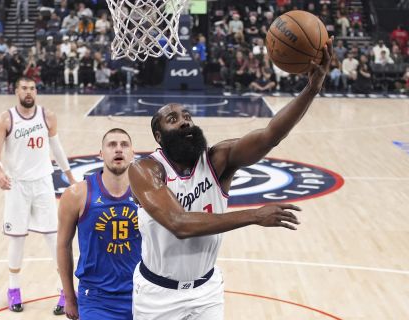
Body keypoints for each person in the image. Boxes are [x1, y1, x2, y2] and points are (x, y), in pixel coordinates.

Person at [128, 38, 334, 320]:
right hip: (158, 295)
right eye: (173, 119)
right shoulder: (146, 170)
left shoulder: (218, 160)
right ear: (159, 137)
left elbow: (270, 135)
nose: (185, 121)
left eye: (187, 116)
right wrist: (253, 215)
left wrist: (312, 89)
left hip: (206, 291)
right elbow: (179, 223)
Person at [0, 76, 77, 314]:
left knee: (54, 239)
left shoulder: (47, 116)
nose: (29, 92)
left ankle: (65, 291)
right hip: (16, 185)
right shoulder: (5, 118)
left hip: (42, 184)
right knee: (17, 238)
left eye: (32, 88)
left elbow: (56, 148)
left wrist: (71, 178)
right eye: (24, 88)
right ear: (16, 91)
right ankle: (13, 289)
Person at [57, 128, 141, 320]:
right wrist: (69, 297)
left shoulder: (148, 194)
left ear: (132, 153)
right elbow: (63, 246)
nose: (118, 149)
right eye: (112, 145)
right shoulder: (76, 194)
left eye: (124, 145)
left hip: (143, 293)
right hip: (96, 299)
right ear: (101, 153)